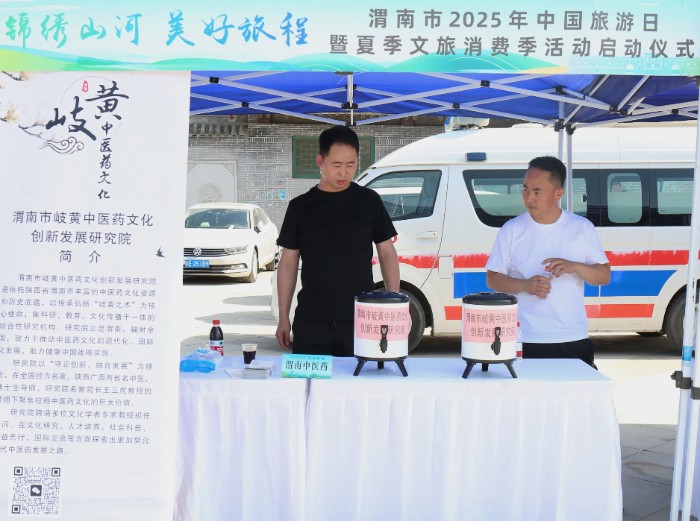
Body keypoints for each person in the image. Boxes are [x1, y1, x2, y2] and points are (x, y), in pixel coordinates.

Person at [275, 125, 400, 356]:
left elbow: (387, 252)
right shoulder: (300, 207)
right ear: (319, 161)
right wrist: (283, 317)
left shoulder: (369, 201)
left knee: (357, 379)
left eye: (351, 165)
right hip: (311, 321)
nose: (344, 172)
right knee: (310, 379)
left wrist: (394, 306)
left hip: (360, 318)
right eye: (337, 165)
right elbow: (288, 263)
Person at [485, 156, 610, 366]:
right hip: (524, 336)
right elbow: (493, 279)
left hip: (572, 336)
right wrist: (525, 285)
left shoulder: (581, 227)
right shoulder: (511, 229)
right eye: (525, 189)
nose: (529, 198)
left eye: (537, 191)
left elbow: (604, 276)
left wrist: (575, 266)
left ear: (558, 193)